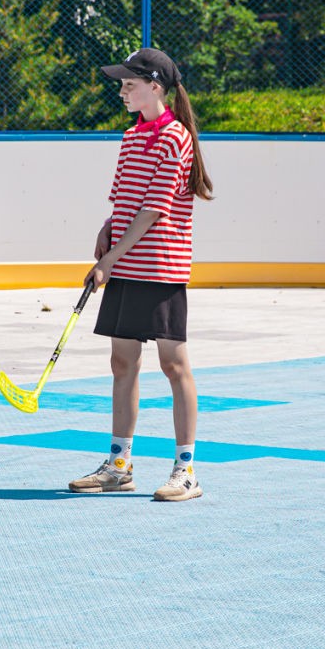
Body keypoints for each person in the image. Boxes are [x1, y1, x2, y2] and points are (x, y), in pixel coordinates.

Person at [66, 47, 215, 502]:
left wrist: (109, 260)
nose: (122, 91)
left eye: (130, 84)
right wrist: (107, 228)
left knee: (174, 365)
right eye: (122, 84)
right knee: (122, 363)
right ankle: (118, 466)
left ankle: (186, 471)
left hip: (160, 267)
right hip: (126, 264)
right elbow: (126, 200)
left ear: (155, 87)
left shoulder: (175, 138)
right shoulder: (131, 137)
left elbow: (153, 210)